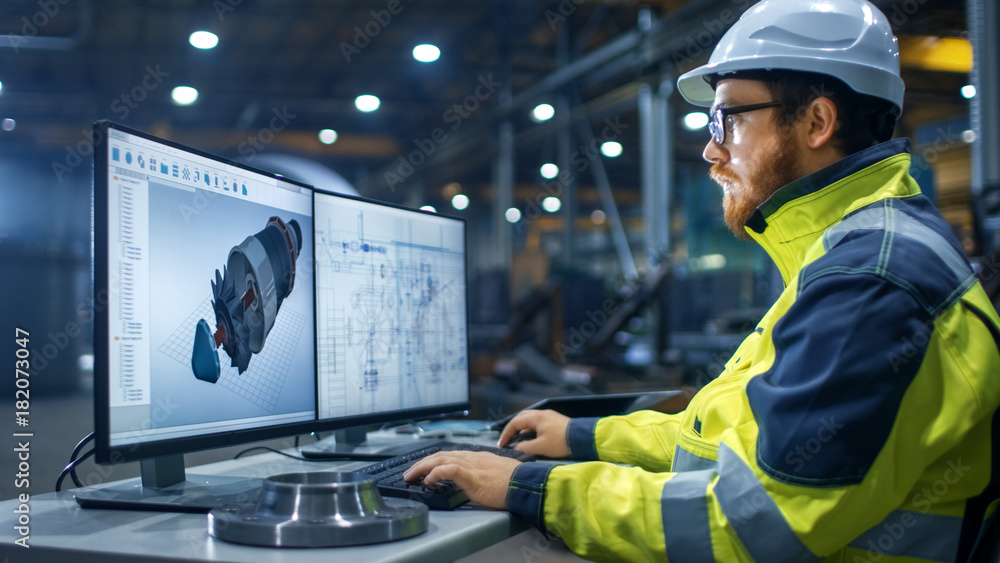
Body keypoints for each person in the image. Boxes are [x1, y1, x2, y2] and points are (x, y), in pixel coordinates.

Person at [404, 0, 1000, 560]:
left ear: (817, 121)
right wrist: (584, 438)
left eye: (728, 118)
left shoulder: (871, 279)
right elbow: (725, 437)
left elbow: (752, 524)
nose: (712, 151)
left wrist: (534, 488)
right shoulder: (846, 255)